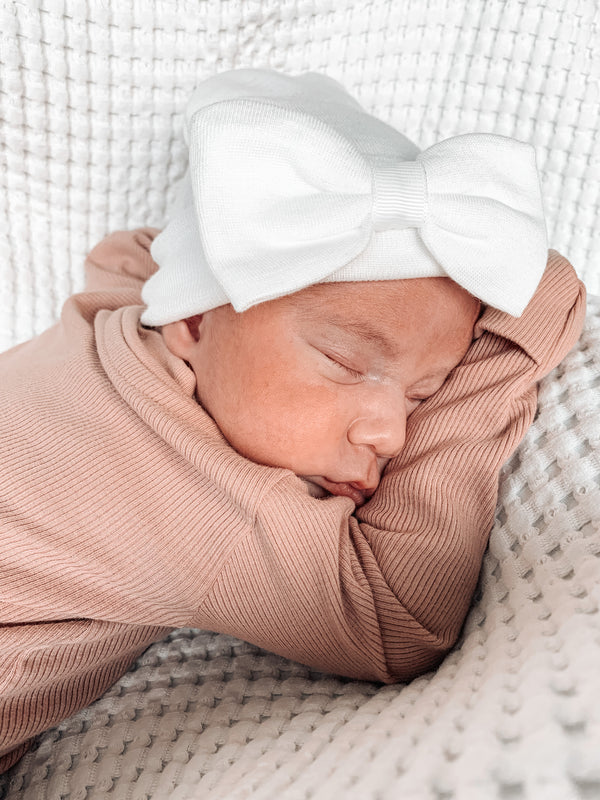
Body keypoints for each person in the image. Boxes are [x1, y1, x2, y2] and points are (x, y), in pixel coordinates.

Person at [0, 69, 586, 772]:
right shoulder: (194, 497)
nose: (391, 435)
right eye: (344, 363)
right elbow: (395, 623)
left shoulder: (119, 325)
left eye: (424, 397)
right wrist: (504, 355)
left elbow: (127, 254)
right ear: (192, 319)